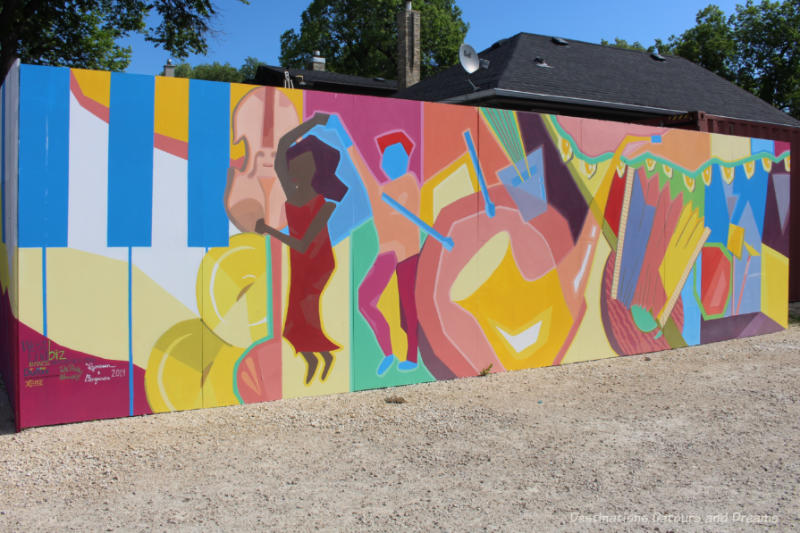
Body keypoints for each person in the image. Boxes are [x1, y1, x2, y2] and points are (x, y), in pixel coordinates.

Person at [254, 112, 348, 385]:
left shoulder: (325, 204)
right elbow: (282, 146)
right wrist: (312, 123)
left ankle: (324, 356)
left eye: (302, 162)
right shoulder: (292, 193)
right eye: (294, 162)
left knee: (305, 307)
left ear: (315, 168)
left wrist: (269, 231)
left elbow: (306, 242)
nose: (293, 165)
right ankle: (314, 359)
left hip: (317, 261)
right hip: (299, 259)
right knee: (295, 316)